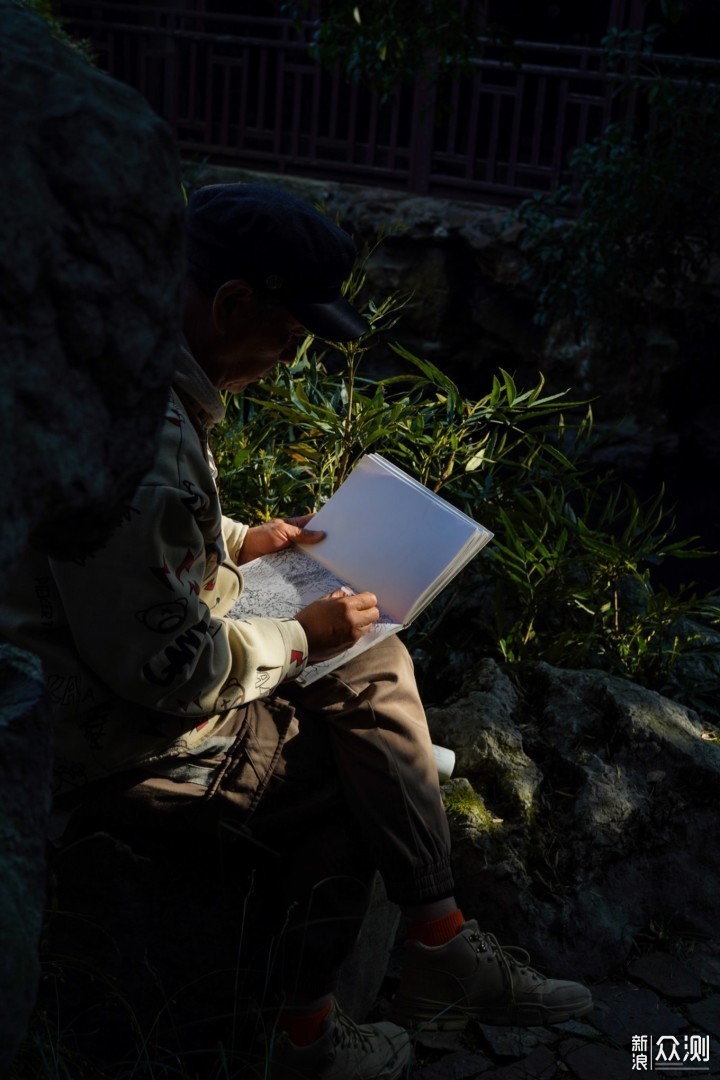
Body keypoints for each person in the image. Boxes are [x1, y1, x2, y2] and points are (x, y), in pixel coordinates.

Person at [0, 183, 592, 1080]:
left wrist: (244, 540)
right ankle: (328, 1023)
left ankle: (425, 953)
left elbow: (112, 553)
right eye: (290, 333)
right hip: (92, 729)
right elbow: (175, 676)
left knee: (373, 667)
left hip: (68, 665)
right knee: (348, 766)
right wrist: (304, 635)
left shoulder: (102, 362)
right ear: (233, 303)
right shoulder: (143, 443)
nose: (287, 355)